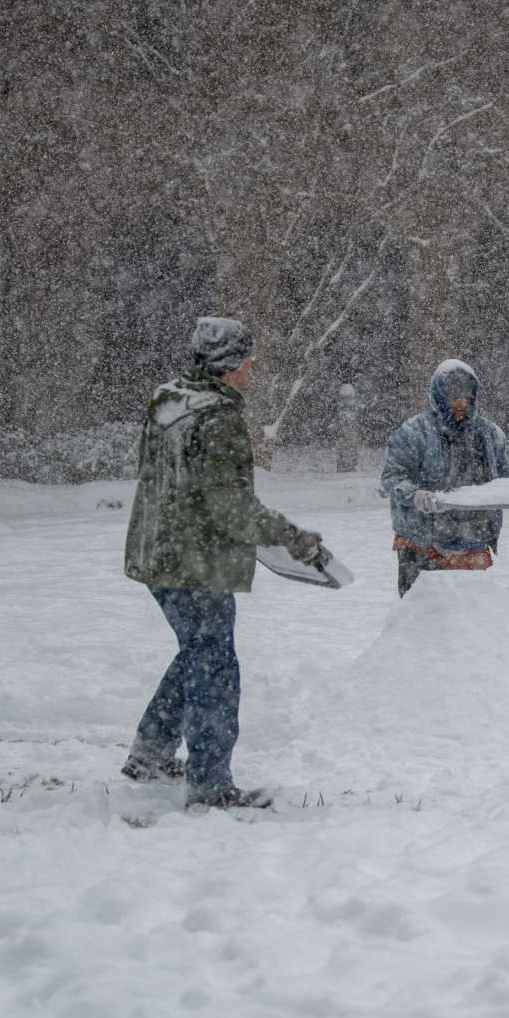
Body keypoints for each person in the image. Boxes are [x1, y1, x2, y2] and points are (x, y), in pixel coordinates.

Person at [122, 315, 324, 810]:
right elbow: (231, 506)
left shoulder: (167, 400)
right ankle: (210, 785)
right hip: (195, 563)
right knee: (214, 666)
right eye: (248, 360)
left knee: (196, 651)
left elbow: (160, 475)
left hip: (156, 552)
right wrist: (287, 534)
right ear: (230, 366)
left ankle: (150, 754)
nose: (252, 368)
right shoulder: (219, 418)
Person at [381, 359, 509, 597]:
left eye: (467, 398)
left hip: (472, 538)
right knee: (424, 613)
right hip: (424, 542)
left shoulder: (489, 434)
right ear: (440, 397)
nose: (462, 404)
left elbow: (504, 478)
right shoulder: (414, 433)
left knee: (468, 614)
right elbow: (393, 477)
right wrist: (417, 496)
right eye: (455, 397)